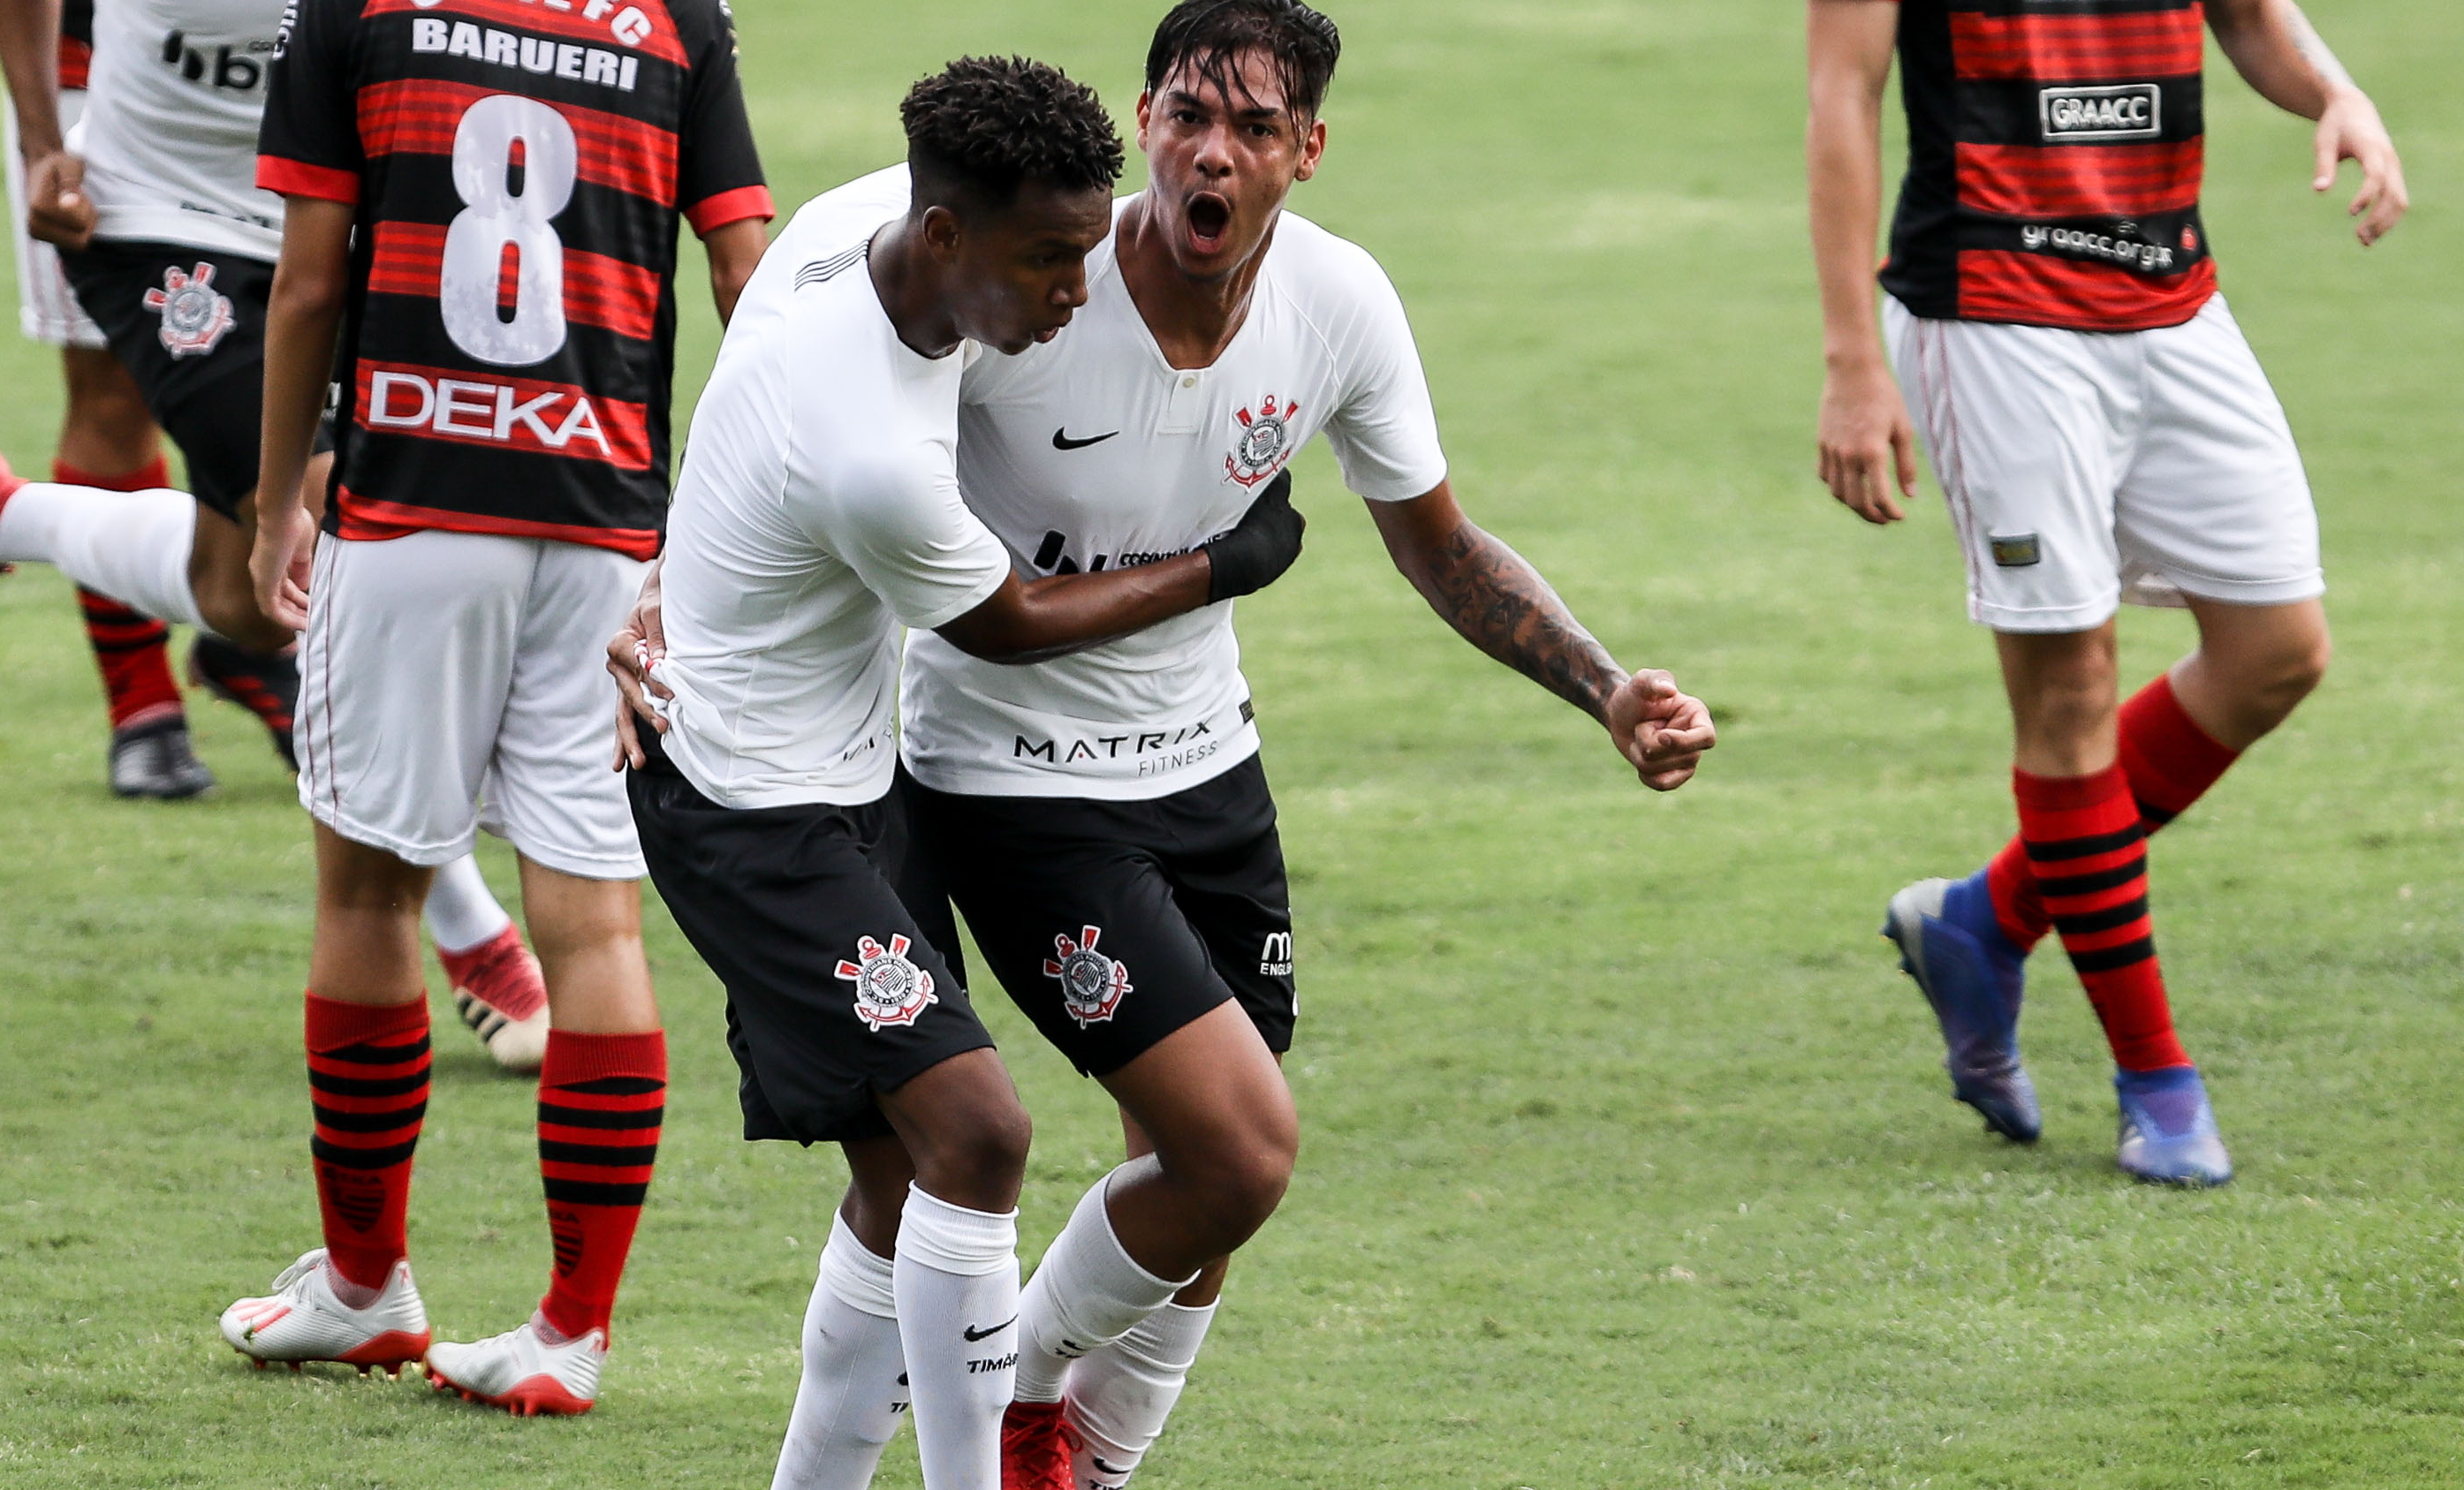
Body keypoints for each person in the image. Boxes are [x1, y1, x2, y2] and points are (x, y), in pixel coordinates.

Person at [610, 11, 1717, 1487]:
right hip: (993, 782)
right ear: (1146, 120)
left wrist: (1604, 686)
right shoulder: (996, 307)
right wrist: (666, 581)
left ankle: (1055, 1443)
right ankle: (1013, 1416)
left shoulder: (1328, 303)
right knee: (1208, 1148)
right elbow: (933, 555)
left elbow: (1440, 546)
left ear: (1305, 152)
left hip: (1205, 767)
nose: (1215, 150)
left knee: (1191, 1192)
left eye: (1256, 127)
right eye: (1192, 113)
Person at [612, 57, 1305, 1489]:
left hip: (860, 768)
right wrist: (1217, 565)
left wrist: (667, 563)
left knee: (894, 1176)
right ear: (946, 237)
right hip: (752, 804)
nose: (1079, 288)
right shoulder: (873, 449)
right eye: (1051, 262)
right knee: (977, 1130)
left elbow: (736, 373)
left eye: (1085, 242)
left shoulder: (858, 224)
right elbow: (1006, 619)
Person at [215, 0, 777, 1414]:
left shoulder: (357, 7)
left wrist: (279, 497)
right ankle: (570, 1330)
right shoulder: (674, 19)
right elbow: (745, 270)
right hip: (603, 525)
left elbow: (303, 284)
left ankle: (363, 1286)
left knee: (368, 898)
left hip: (412, 510)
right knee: (592, 917)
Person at [1806, 0, 2407, 1184]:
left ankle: (1984, 920)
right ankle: (2158, 1079)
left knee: (2279, 645)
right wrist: (1852, 360)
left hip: (2173, 294)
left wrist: (2340, 92)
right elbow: (1844, 93)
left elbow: (2249, 15)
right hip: (1991, 312)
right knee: (2070, 687)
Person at [0, 0, 212, 799]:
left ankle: (259, 638)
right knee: (114, 392)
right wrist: (42, 137)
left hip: (289, 87)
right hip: (103, 91)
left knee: (319, 383)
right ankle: (141, 699)